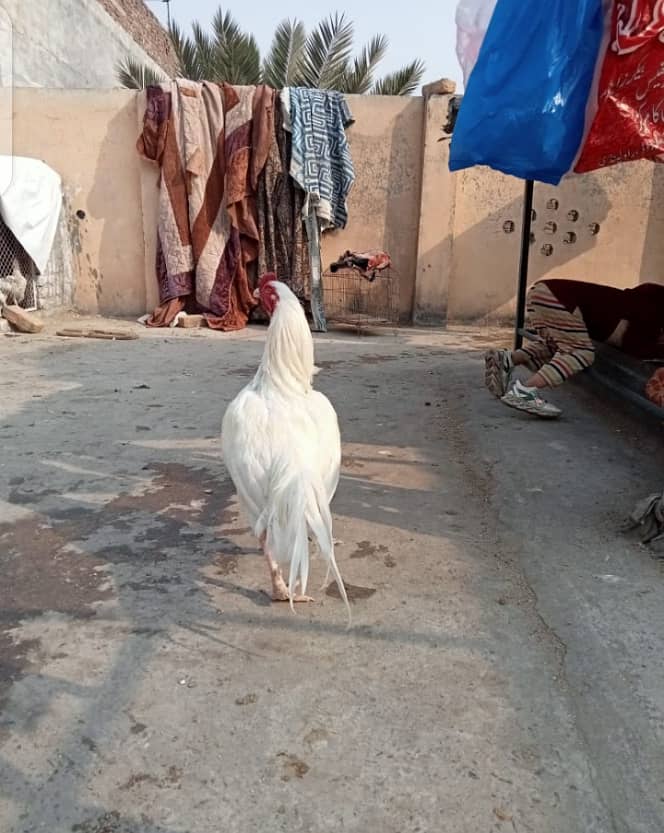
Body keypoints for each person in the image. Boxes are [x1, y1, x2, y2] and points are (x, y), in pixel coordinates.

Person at [485, 279, 664, 418]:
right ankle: (525, 391)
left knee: (553, 345)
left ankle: (507, 359)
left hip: (541, 293)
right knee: (581, 353)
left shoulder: (630, 301)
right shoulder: (649, 311)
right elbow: (634, 346)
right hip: (560, 299)